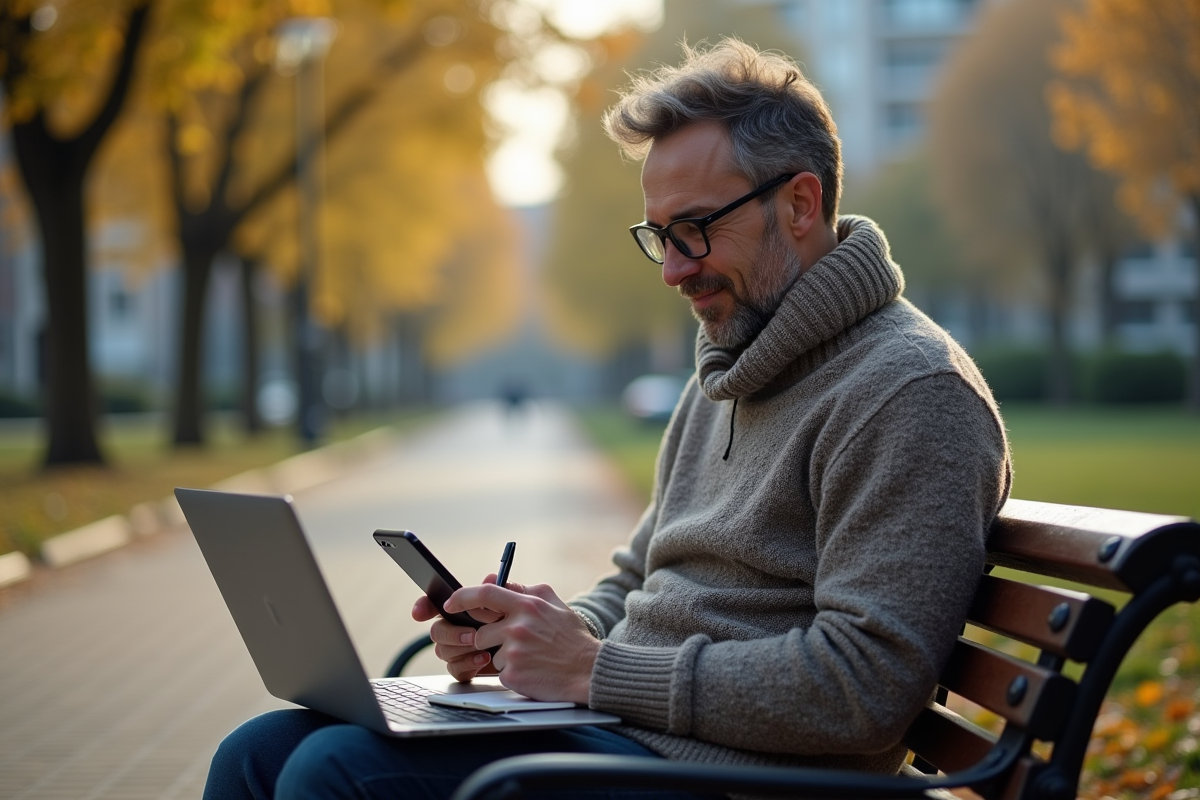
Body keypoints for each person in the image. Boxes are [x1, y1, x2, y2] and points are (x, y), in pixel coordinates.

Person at [203, 38, 1011, 800]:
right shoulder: (730, 372)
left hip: (744, 782)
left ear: (800, 203)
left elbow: (865, 686)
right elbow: (636, 585)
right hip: (635, 740)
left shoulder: (911, 392)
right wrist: (529, 638)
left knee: (336, 772)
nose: (673, 270)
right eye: (660, 237)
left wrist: (592, 671)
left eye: (694, 230)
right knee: (257, 750)